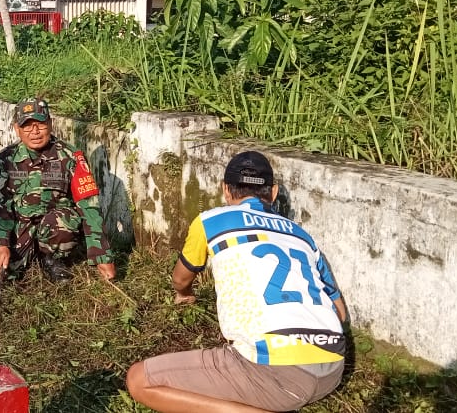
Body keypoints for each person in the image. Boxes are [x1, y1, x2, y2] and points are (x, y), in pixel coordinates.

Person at [125, 151, 349, 413]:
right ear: (273, 192)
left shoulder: (211, 221)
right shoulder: (303, 236)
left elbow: (180, 278)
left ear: (226, 190)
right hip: (333, 370)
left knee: (139, 380)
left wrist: (184, 293)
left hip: (276, 373)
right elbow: (340, 313)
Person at [0, 99, 117, 283]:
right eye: (27, 126)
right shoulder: (6, 159)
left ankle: (53, 258)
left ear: (50, 124)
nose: (35, 132)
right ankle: (29, 252)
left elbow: (89, 206)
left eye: (40, 124)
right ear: (17, 129)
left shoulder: (71, 156)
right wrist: (2, 244)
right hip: (22, 225)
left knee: (62, 223)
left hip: (55, 225)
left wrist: (102, 256)